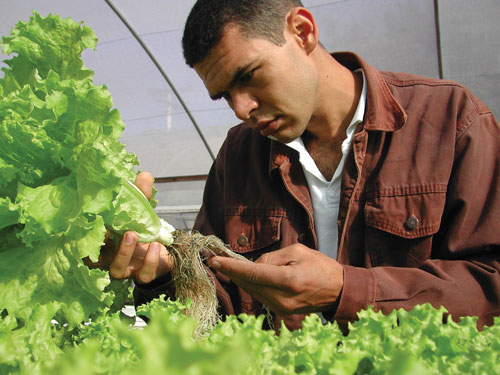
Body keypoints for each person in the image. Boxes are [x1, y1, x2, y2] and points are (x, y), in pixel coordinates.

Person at [108, 0, 500, 331]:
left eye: (248, 75)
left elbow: (492, 283)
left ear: (302, 30)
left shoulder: (450, 121)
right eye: (225, 95)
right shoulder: (239, 154)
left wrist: (348, 290)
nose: (242, 109)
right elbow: (217, 301)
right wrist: (162, 273)